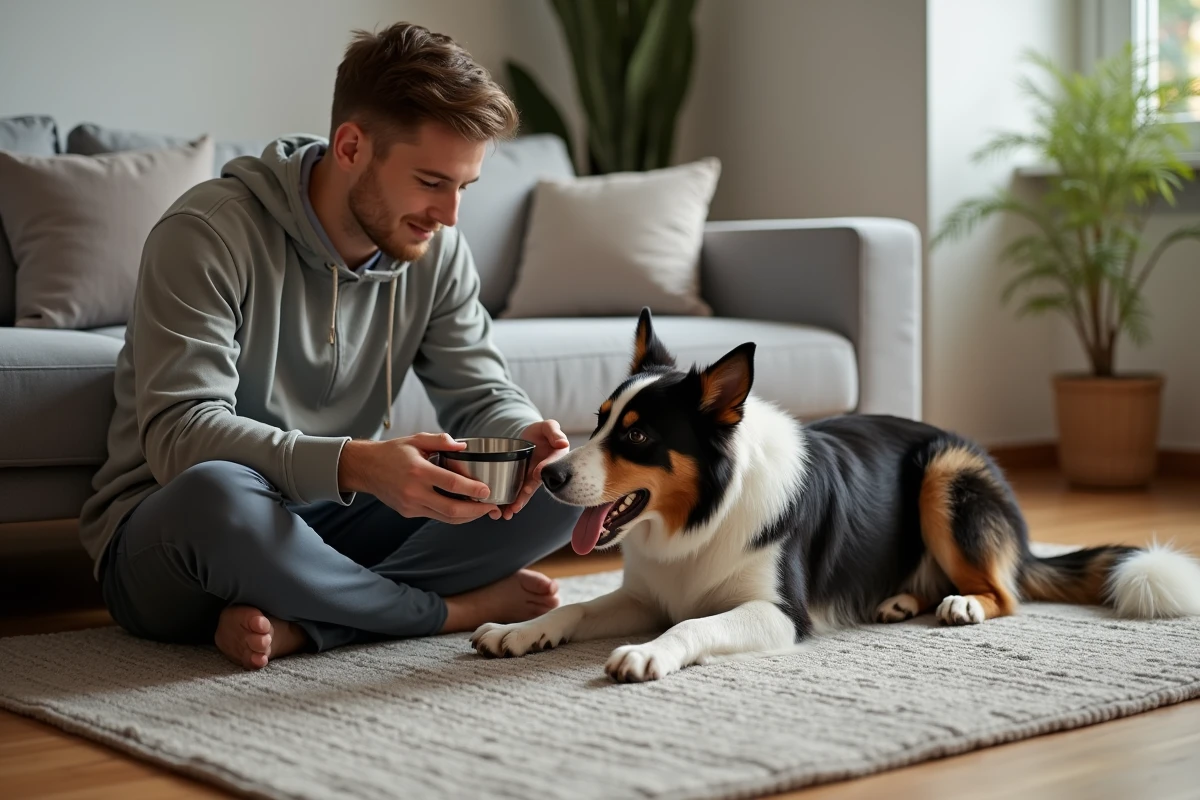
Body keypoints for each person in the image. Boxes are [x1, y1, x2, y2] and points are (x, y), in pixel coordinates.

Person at [78, 21, 581, 670]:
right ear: (350, 147)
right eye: (431, 182)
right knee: (219, 495)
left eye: (465, 187)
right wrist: (359, 465)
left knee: (563, 484)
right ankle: (447, 610)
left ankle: (309, 622)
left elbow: (482, 393)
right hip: (182, 538)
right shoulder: (205, 233)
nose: (452, 215)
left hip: (334, 528)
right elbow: (181, 434)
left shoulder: (436, 249)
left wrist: (523, 438)